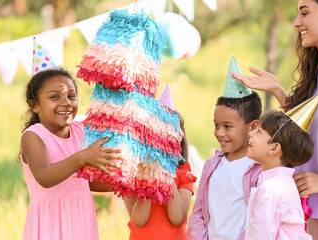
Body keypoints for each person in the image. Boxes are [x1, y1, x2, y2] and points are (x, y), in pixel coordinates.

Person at [231, 0, 318, 239]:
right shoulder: (317, 72)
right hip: (305, 210)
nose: (297, 22)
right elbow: (308, 126)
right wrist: (277, 89)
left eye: (305, 13)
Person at [20, 68, 123, 240]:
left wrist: (122, 183)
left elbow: (85, 181)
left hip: (82, 222)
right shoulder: (33, 136)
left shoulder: (81, 131)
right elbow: (44, 177)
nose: (66, 102)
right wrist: (82, 157)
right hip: (49, 225)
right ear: (34, 105)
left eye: (71, 96)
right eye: (54, 97)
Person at [188, 90, 262, 240]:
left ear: (253, 127)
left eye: (227, 126)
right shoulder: (211, 165)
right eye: (216, 125)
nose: (219, 133)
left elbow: (259, 220)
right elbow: (199, 213)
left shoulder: (259, 169)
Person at [123, 111, 197, 240]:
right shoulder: (133, 174)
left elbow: (177, 218)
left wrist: (166, 174)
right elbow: (139, 221)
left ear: (178, 142)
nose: (159, 147)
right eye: (154, 138)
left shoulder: (184, 174)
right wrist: (149, 178)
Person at [245, 110, 313, 239]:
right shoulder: (282, 183)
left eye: (258, 132)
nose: (250, 133)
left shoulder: (271, 189)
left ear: (274, 148)